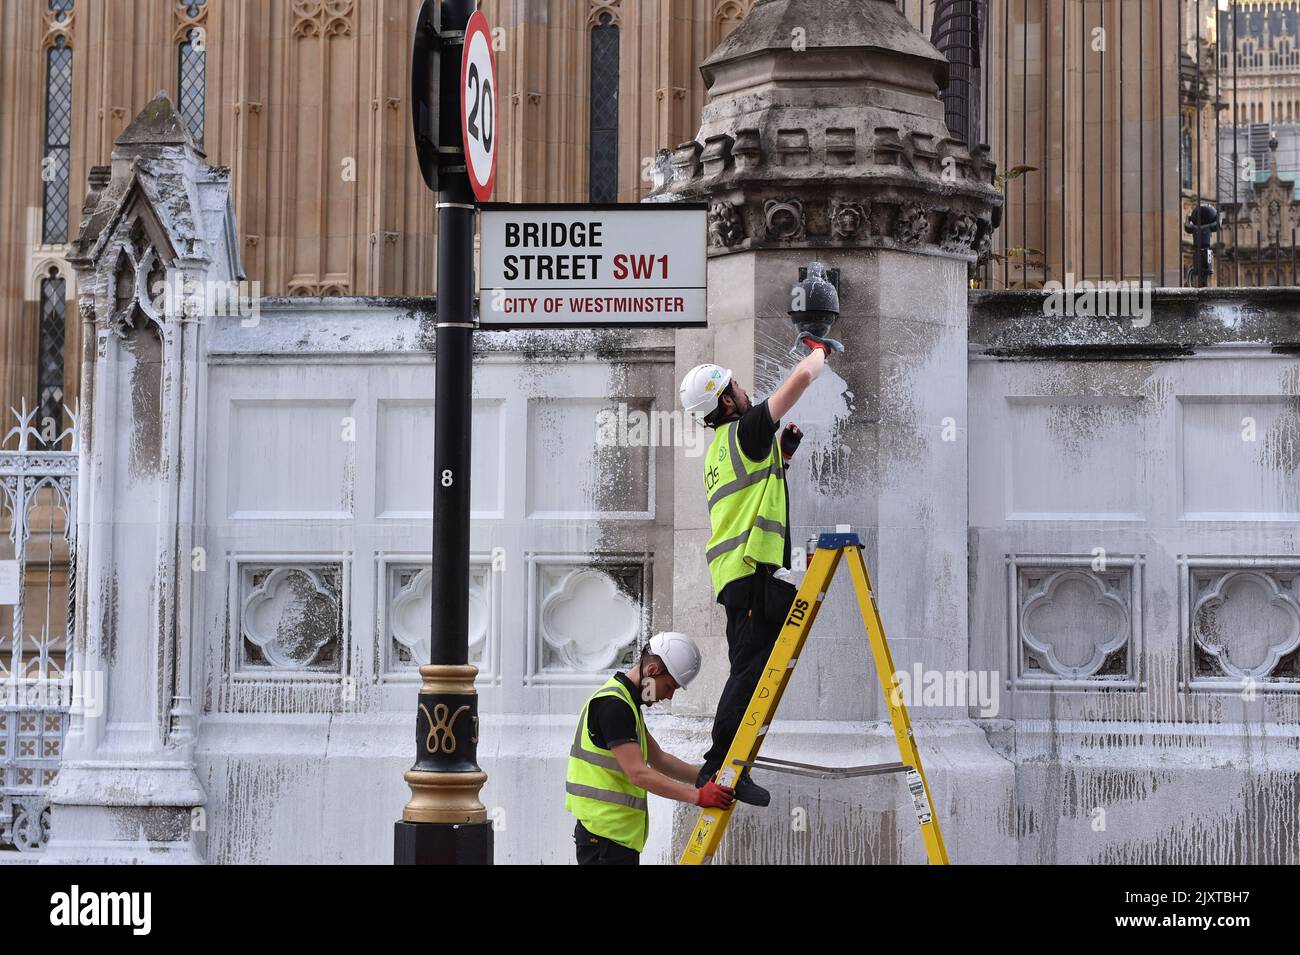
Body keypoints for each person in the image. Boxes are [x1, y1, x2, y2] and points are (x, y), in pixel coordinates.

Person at [678, 334, 834, 806]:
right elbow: (802, 379)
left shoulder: (724, 447)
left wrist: (781, 457)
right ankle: (722, 765)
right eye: (738, 387)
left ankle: (732, 762)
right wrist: (820, 348)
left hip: (742, 575)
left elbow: (753, 496)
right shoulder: (746, 428)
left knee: (755, 662)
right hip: (748, 574)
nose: (747, 391)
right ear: (726, 400)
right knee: (747, 671)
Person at [565, 631, 735, 865]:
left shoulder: (625, 703)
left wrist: (704, 778)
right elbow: (638, 773)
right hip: (604, 839)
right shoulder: (614, 707)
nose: (668, 696)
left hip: (612, 838)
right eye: (669, 686)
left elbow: (659, 759)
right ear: (652, 670)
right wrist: (697, 796)